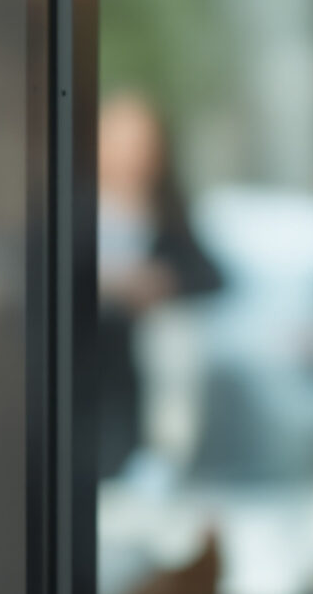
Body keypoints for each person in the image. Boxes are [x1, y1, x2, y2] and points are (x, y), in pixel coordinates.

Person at [95, 93, 222, 481]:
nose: (134, 157)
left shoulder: (167, 215)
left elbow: (210, 277)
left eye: (143, 145)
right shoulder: (76, 210)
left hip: (143, 374)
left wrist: (160, 284)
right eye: (123, 143)